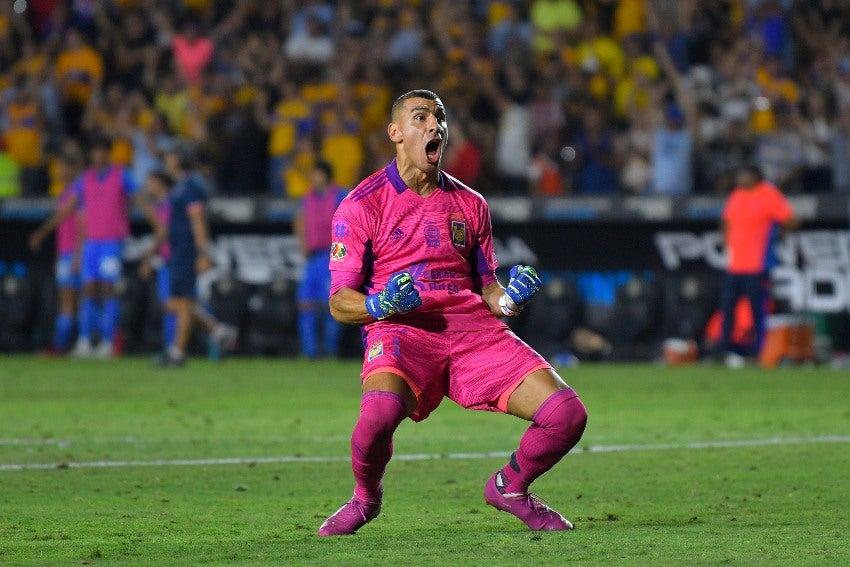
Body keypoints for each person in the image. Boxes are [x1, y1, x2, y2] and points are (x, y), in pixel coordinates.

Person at [317, 90, 588, 536]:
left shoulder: (471, 204)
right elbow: (338, 300)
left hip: (472, 333)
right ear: (396, 132)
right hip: (403, 330)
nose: (434, 126)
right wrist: (379, 304)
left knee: (567, 414)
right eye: (420, 117)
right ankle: (365, 499)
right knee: (378, 419)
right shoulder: (361, 204)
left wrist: (510, 300)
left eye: (440, 118)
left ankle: (511, 487)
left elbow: (487, 290)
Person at [29, 136, 137, 359]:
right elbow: (67, 212)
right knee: (88, 290)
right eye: (94, 152)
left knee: (107, 289)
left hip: (111, 242)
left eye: (101, 151)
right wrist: (42, 232)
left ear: (108, 153)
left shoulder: (121, 175)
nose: (97, 156)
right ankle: (86, 341)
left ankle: (108, 341)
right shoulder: (85, 180)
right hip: (91, 243)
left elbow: (138, 199)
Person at [148, 146, 237, 367]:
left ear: (178, 158)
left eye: (168, 156)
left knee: (184, 300)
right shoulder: (181, 186)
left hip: (187, 250)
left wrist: (202, 253)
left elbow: (197, 220)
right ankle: (218, 330)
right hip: (178, 249)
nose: (166, 161)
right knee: (175, 302)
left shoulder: (191, 186)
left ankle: (177, 352)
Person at [719, 164, 797, 366]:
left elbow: (790, 219)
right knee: (727, 308)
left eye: (744, 174)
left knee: (757, 309)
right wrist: (728, 246)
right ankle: (724, 348)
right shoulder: (737, 195)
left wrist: (777, 236)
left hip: (757, 264)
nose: (740, 178)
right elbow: (726, 222)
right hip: (735, 264)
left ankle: (759, 350)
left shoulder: (768, 194)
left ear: (755, 176)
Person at [28, 148, 85, 353]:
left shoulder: (79, 190)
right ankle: (72, 344)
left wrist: (40, 234)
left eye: (61, 166)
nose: (57, 171)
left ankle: (65, 345)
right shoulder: (66, 190)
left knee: (70, 302)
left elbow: (78, 224)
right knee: (70, 301)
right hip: (66, 252)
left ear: (71, 168)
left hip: (74, 253)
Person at [293, 160, 346, 359]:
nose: (313, 178)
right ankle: (310, 351)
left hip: (333, 257)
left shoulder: (340, 195)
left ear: (325, 175)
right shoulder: (307, 198)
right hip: (313, 257)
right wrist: (302, 242)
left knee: (332, 305)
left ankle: (331, 351)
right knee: (306, 304)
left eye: (316, 174)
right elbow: (299, 220)